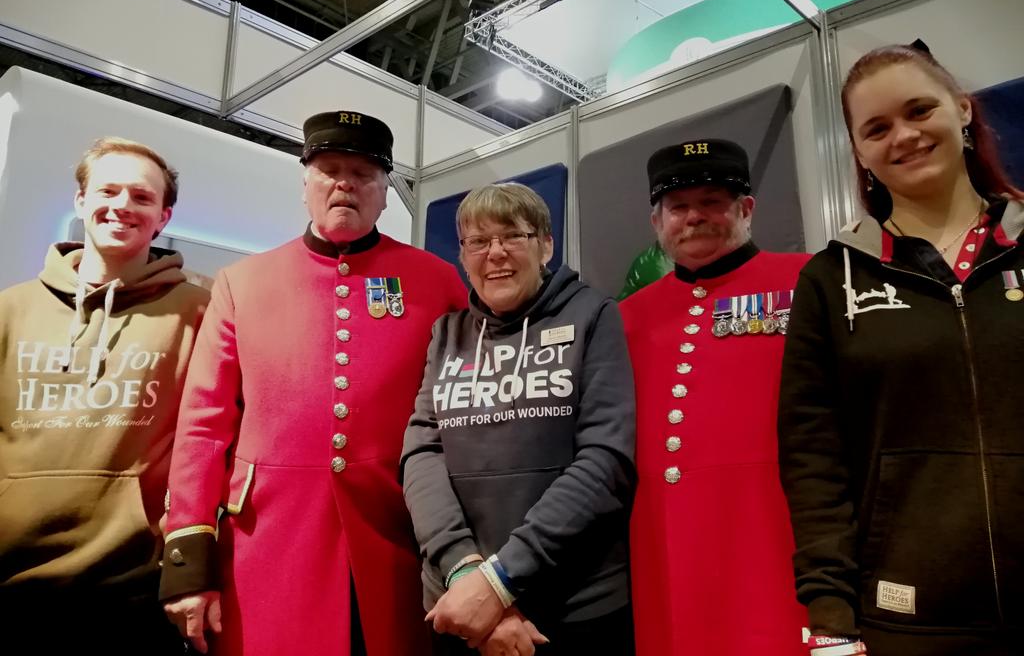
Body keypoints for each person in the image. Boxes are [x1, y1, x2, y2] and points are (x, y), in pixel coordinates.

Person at [159, 111, 467, 656]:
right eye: (329, 169)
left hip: (396, 537)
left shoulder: (435, 280)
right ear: (305, 183)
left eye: (363, 174)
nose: (345, 183)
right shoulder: (241, 283)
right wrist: (189, 559)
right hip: (267, 541)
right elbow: (204, 423)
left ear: (385, 193)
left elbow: (465, 410)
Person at [778, 42, 1024, 655]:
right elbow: (814, 460)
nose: (904, 136)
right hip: (908, 619)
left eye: (920, 110)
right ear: (859, 151)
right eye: (878, 128)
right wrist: (831, 618)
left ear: (962, 109)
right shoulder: (829, 279)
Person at [401, 183, 636, 656]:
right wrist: (467, 572)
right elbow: (421, 455)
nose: (496, 254)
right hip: (459, 601)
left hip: (572, 605)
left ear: (546, 244)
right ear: (464, 255)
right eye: (478, 242)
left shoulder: (594, 315)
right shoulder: (447, 334)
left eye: (512, 236)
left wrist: (502, 580)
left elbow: (605, 460)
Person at [0, 138, 209, 653]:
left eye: (141, 197)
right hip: (9, 585)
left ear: (163, 216)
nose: (121, 206)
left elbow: (211, 437)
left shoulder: (198, 311)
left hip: (133, 594)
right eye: (107, 191)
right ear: (80, 202)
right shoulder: (11, 309)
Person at [620, 139, 810, 656]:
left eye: (712, 202)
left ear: (746, 210)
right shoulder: (627, 317)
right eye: (678, 207)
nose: (694, 218)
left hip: (776, 535)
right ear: (657, 222)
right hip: (666, 547)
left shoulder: (806, 280)